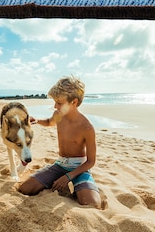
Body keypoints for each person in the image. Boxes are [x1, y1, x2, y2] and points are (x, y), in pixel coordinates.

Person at [18, 76, 107, 210]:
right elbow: (49, 122)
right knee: (25, 189)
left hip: (79, 168)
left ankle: (80, 186)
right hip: (59, 165)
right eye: (55, 102)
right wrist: (36, 120)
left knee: (92, 204)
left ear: (74, 102)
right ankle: (57, 182)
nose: (55, 106)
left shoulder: (87, 128)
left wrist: (68, 177)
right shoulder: (58, 115)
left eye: (59, 103)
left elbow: (90, 162)